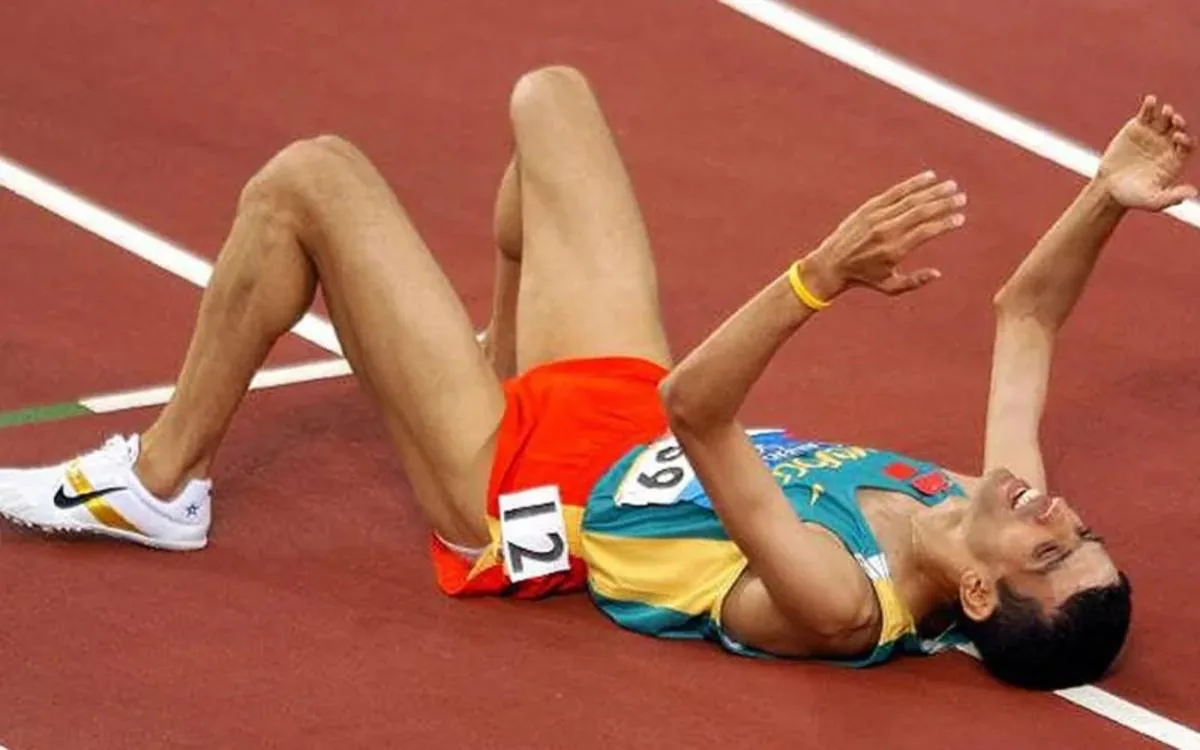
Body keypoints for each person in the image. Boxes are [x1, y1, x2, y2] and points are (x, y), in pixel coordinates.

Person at [0, 66, 1193, 690]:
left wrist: (818, 277)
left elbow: (699, 410)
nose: (1055, 512)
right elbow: (1028, 316)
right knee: (551, 101)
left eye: (1050, 550)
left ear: (979, 594)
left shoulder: (838, 599)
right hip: (616, 420)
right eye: (1079, 529)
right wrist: (1106, 196)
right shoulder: (978, 504)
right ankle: (487, 362)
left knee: (310, 178)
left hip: (528, 501)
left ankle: (161, 485)